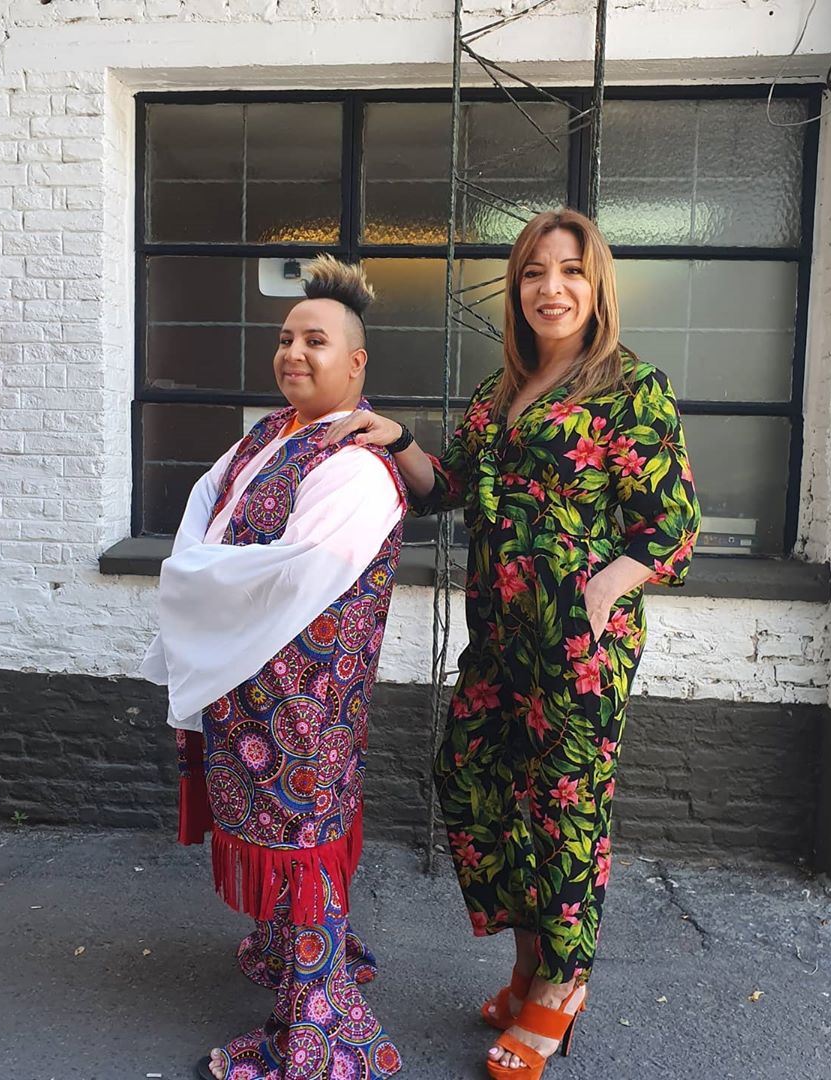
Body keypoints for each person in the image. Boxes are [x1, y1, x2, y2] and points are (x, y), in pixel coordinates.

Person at [320, 209, 701, 1080]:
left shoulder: (631, 388)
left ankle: (561, 988)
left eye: (569, 271)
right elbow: (448, 486)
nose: (550, 288)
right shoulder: (501, 390)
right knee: (470, 784)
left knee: (566, 813)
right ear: (517, 288)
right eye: (534, 272)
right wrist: (397, 438)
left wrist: (598, 592)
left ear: (596, 285)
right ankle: (530, 960)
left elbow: (672, 527)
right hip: (497, 639)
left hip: (576, 647)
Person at [139, 256, 406, 1080]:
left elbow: (297, 570)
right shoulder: (274, 432)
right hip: (254, 685)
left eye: (315, 341)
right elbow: (207, 506)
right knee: (292, 840)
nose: (293, 352)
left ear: (355, 363)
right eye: (286, 337)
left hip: (302, 703)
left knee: (301, 845)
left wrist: (191, 575)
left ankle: (320, 1038)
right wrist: (197, 566)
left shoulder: (353, 463)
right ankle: (296, 953)